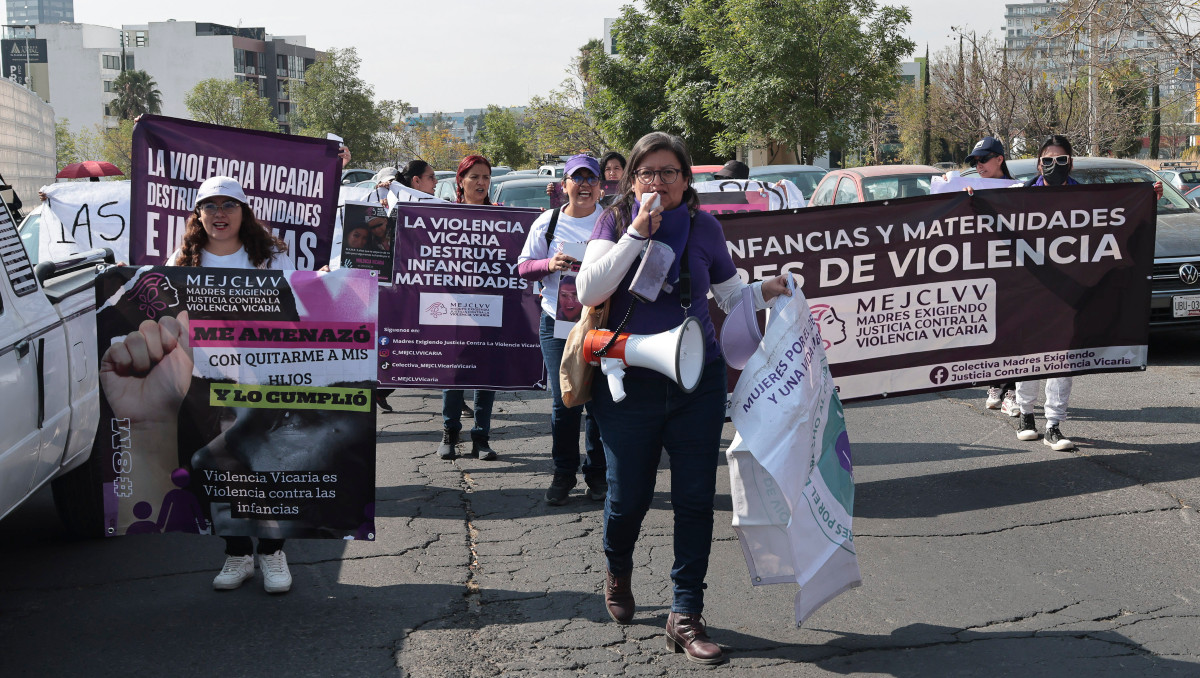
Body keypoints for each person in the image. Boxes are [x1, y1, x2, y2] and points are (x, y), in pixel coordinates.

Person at [576, 132, 790, 664]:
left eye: (669, 172)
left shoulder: (704, 226)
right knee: (629, 496)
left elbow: (728, 294)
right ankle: (618, 566)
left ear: (686, 179)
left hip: (698, 378)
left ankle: (685, 612)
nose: (658, 182)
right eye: (647, 172)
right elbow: (588, 290)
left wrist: (767, 290)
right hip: (629, 380)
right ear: (631, 179)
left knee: (695, 499)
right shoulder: (612, 220)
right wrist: (633, 235)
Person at [167, 175, 296, 593]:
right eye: (210, 206)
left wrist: (326, 279)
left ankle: (273, 553)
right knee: (219, 470)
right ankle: (237, 552)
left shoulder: (271, 258)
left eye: (229, 205)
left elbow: (297, 311)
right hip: (204, 383)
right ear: (198, 215)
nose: (219, 214)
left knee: (265, 465)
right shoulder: (182, 262)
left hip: (261, 380)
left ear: (244, 212)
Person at [1012, 136, 1162, 451]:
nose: (1054, 166)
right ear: (1039, 163)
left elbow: (1120, 221)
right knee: (1030, 355)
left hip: (1071, 292)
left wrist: (1147, 199)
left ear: (1071, 163)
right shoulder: (1018, 197)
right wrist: (969, 199)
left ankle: (1054, 424)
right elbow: (986, 223)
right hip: (1032, 290)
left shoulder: (1088, 197)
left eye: (1061, 160)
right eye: (1048, 160)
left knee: (1062, 356)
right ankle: (1026, 415)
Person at [517, 154, 607, 506]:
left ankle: (597, 475)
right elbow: (523, 268)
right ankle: (563, 474)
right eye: (577, 178)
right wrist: (548, 264)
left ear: (600, 186)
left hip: (604, 323)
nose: (584, 185)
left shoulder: (611, 222)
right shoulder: (547, 223)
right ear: (565, 184)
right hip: (558, 323)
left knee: (600, 401)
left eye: (591, 179)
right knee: (565, 401)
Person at [439, 155, 497, 460]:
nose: (481, 183)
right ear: (461, 180)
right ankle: (450, 432)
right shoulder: (446, 215)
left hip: (491, 306)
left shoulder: (502, 217)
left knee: (486, 374)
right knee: (454, 373)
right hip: (453, 306)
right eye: (474, 176)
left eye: (486, 177)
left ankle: (481, 438)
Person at [964, 137, 1020, 417]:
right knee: (990, 332)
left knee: (1012, 332)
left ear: (1000, 159)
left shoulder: (1019, 189)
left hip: (1015, 271)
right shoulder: (969, 188)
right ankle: (995, 385)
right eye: (975, 161)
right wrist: (962, 200)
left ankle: (1011, 390)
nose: (979, 165)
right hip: (983, 272)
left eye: (983, 159)